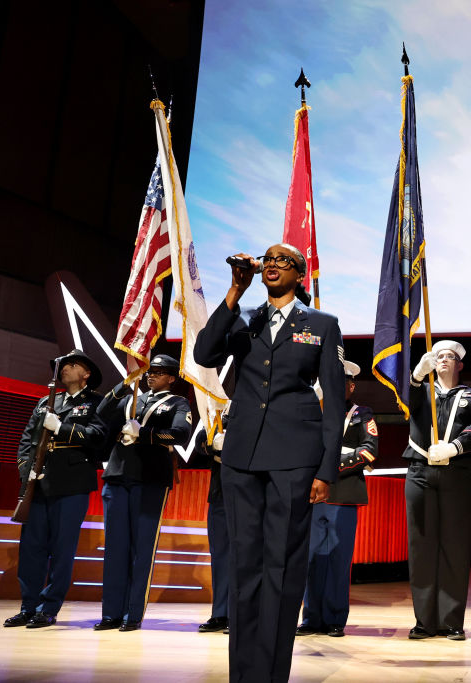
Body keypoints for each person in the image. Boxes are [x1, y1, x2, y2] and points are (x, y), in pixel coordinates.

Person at [193, 244, 344, 683]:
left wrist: (326, 470)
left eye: (285, 260)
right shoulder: (245, 319)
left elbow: (334, 404)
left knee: (281, 565)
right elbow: (204, 355)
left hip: (294, 458)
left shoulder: (321, 324)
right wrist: (233, 294)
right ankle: (242, 674)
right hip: (241, 457)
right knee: (244, 564)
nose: (273, 263)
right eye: (268, 259)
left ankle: (271, 673)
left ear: (300, 274)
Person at [4, 349, 106, 629]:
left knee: (61, 549)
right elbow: (28, 440)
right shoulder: (46, 401)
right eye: (62, 365)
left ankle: (48, 608)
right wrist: (28, 473)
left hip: (72, 482)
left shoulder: (96, 402)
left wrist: (63, 427)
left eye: (71, 365)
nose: (64, 369)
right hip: (39, 481)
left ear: (86, 374)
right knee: (32, 548)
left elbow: (98, 436)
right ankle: (28, 606)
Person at [94, 353, 192, 632]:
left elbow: (180, 434)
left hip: (149, 478)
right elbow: (101, 413)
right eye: (150, 371)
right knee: (115, 548)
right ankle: (111, 613)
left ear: (171, 378)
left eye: (159, 372)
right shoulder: (131, 398)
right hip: (117, 475)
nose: (152, 375)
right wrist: (124, 384)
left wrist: (146, 432)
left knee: (141, 550)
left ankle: (132, 613)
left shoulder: (178, 402)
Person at [403, 340, 471, 641]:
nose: (443, 360)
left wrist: (456, 446)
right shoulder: (421, 391)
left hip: (457, 472)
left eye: (450, 357)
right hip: (420, 472)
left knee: (454, 546)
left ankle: (451, 621)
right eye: (439, 356)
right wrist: (416, 376)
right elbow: (404, 403)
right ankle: (424, 622)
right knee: (421, 547)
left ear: (459, 365)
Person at [297, 359, 378, 638]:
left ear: (351, 386)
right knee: (311, 560)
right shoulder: (312, 413)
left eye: (339, 382)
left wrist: (331, 464)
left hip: (342, 494)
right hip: (312, 495)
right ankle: (310, 618)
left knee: (338, 560)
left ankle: (334, 618)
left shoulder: (361, 414)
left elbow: (369, 451)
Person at [188, 406, 230, 634]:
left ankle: (240, 613)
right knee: (220, 556)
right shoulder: (220, 413)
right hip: (220, 492)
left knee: (244, 557)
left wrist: (231, 444)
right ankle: (220, 613)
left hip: (248, 495)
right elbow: (200, 442)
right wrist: (213, 440)